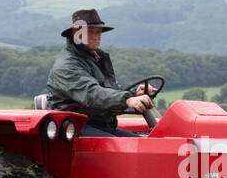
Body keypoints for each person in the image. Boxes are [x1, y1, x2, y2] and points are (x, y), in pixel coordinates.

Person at [45, 9, 154, 137]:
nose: (96, 36)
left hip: (101, 125)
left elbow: (110, 92)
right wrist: (127, 99)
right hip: (75, 127)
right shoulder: (67, 66)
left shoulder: (97, 58)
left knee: (141, 143)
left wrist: (134, 93)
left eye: (98, 32)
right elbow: (92, 94)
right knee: (121, 149)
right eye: (90, 32)